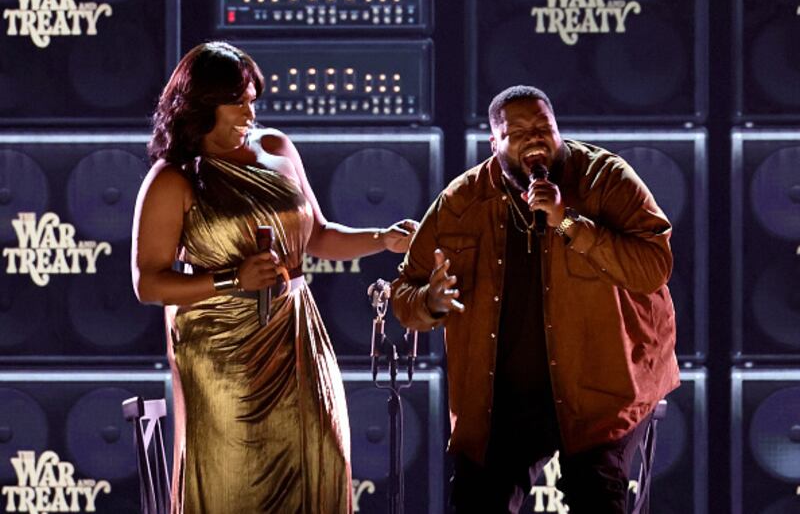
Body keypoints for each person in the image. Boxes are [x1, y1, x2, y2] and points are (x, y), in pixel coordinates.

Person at [130, 41, 417, 513]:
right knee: (234, 478)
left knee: (320, 456)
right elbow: (148, 283)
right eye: (237, 102)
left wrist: (382, 238)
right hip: (222, 354)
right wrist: (232, 280)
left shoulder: (276, 148)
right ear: (202, 105)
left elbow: (318, 235)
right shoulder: (173, 178)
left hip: (296, 336)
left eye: (252, 100)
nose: (250, 112)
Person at [391, 85, 680, 513]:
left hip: (601, 392)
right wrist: (430, 301)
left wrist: (568, 222)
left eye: (544, 127)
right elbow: (404, 293)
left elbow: (654, 266)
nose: (535, 139)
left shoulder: (605, 178)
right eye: (518, 133)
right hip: (506, 399)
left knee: (597, 497)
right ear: (494, 143)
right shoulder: (461, 202)